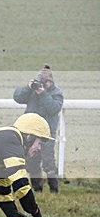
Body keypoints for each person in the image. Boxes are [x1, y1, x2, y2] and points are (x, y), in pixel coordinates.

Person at [13, 64, 64, 193]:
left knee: (48, 162)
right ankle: (37, 190)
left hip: (47, 134)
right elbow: (17, 97)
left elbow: (53, 108)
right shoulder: (32, 92)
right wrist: (28, 87)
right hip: (30, 133)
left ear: (50, 81)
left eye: (46, 82)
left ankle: (54, 190)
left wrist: (43, 93)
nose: (44, 84)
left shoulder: (57, 94)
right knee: (32, 162)